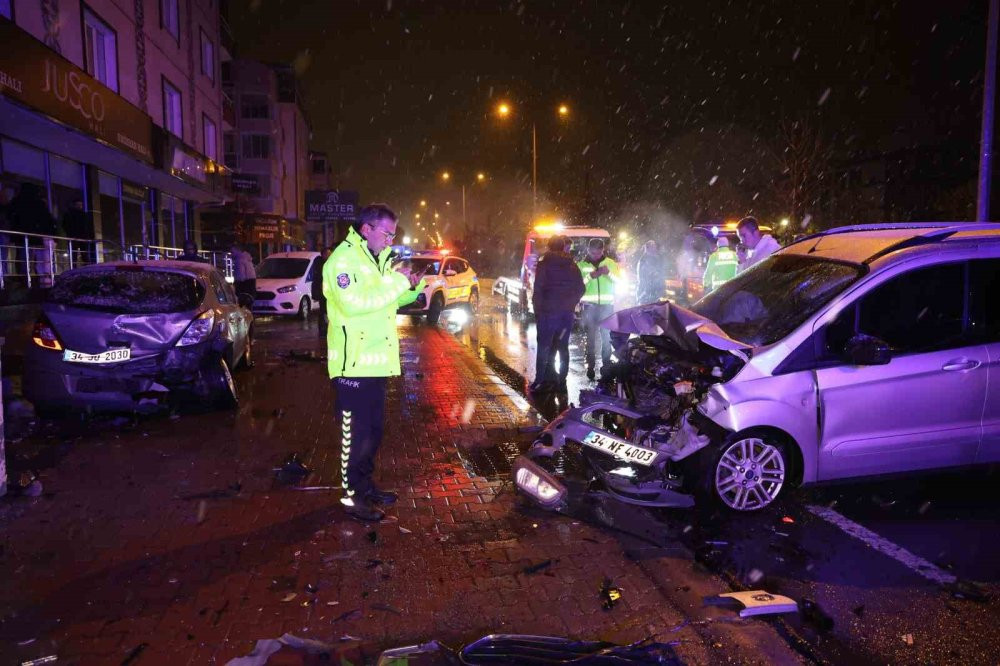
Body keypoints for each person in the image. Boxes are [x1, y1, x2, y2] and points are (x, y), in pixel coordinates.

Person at [324, 204, 425, 523]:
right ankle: (350, 496)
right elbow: (355, 305)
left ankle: (364, 487)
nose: (390, 240)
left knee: (373, 433)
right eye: (387, 233)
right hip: (352, 365)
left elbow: (385, 301)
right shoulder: (342, 260)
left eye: (393, 234)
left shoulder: (375, 260)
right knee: (354, 436)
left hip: (376, 363)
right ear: (366, 229)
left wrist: (412, 288)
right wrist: (396, 283)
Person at [530, 235, 585, 393]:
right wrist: (570, 303)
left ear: (549, 246)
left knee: (544, 346)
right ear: (563, 247)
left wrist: (538, 310)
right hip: (565, 315)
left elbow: (538, 289)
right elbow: (581, 288)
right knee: (563, 347)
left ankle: (540, 380)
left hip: (547, 313)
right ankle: (562, 380)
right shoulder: (572, 265)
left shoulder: (544, 264)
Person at [577, 238, 620, 381]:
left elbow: (619, 281)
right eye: (592, 252)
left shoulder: (610, 264)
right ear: (588, 250)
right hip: (589, 307)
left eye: (598, 252)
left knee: (607, 338)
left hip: (607, 306)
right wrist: (590, 276)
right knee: (590, 339)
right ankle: (590, 367)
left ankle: (606, 367)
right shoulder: (581, 265)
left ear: (603, 250)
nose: (595, 255)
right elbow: (578, 284)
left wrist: (609, 274)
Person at [5, 183, 58, 287]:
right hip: (36, 235)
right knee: (37, 258)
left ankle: (24, 278)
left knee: (23, 257)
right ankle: (37, 278)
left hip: (22, 235)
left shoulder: (17, 201)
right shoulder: (38, 203)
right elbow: (48, 220)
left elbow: (10, 215)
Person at [61, 200, 94, 267]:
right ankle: (80, 267)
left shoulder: (72, 214)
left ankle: (79, 267)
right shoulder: (72, 214)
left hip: (79, 237)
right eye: (78, 205)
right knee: (77, 254)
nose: (80, 206)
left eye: (80, 205)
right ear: (75, 205)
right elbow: (65, 225)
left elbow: (65, 225)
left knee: (79, 254)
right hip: (77, 237)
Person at [635, 239, 667, 305]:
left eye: (655, 247)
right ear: (648, 248)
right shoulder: (644, 260)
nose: (655, 249)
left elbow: (659, 275)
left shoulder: (654, 259)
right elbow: (645, 279)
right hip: (646, 296)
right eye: (653, 247)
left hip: (652, 295)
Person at [312, 246, 333, 336]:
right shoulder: (321, 265)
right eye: (328, 254)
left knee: (325, 311)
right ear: (324, 255)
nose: (329, 255)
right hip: (323, 292)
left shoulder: (327, 264)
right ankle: (323, 329)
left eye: (330, 253)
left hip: (326, 291)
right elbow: (319, 279)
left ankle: (325, 328)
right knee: (323, 310)